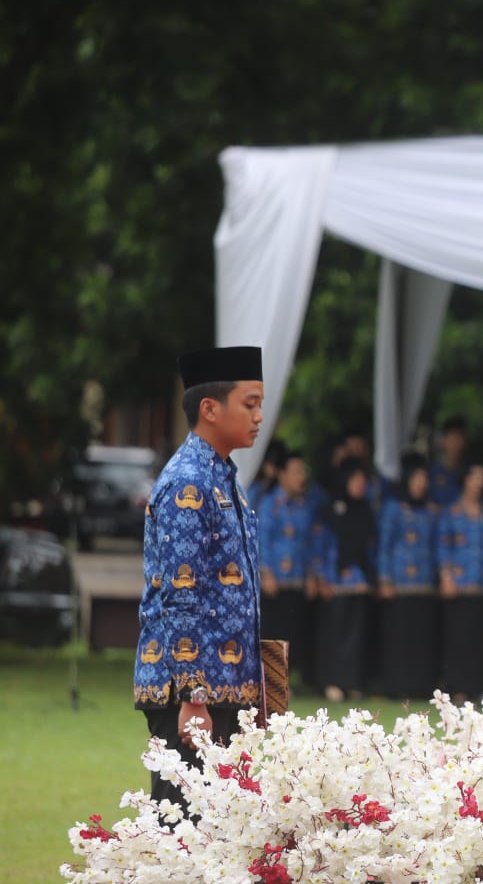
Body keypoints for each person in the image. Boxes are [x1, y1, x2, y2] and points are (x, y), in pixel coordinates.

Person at [133, 346, 265, 813]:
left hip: (226, 689)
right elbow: (180, 595)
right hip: (193, 696)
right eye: (249, 404)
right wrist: (193, 696)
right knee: (184, 833)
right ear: (210, 408)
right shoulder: (188, 481)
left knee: (222, 838)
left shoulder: (224, 477)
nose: (259, 417)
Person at [309, 458, 376, 702]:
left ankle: (352, 682)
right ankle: (332, 682)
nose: (360, 485)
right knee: (334, 633)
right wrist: (321, 576)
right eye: (356, 480)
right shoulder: (329, 510)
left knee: (355, 635)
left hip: (358, 581)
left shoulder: (365, 510)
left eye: (363, 481)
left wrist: (371, 577)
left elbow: (369, 548)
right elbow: (320, 544)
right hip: (334, 581)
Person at [376, 454, 440, 699]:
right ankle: (396, 687)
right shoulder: (393, 508)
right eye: (417, 479)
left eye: (424, 479)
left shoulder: (430, 510)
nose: (421, 484)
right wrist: (385, 579)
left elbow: (435, 546)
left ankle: (421, 687)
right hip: (399, 583)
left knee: (421, 637)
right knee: (399, 637)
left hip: (424, 584)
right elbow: (385, 544)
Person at [438, 462, 483, 702]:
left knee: (482, 638)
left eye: (481, 478)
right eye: (473, 477)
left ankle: (480, 687)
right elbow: (444, 544)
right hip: (459, 583)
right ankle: (458, 687)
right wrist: (445, 576)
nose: (477, 483)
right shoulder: (452, 511)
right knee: (459, 637)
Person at [257, 451, 317, 692]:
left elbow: (310, 542)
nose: (300, 477)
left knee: (295, 631)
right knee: (275, 632)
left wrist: (312, 573)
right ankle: (272, 683)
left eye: (303, 472)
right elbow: (262, 539)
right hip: (276, 581)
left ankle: (289, 680)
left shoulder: (304, 506)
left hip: (297, 579)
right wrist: (266, 572)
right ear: (282, 474)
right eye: (295, 471)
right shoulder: (270, 503)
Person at [427, 417, 469, 507]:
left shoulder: (468, 474)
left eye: (460, 438)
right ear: (443, 441)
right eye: (453, 438)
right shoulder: (431, 473)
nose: (457, 444)